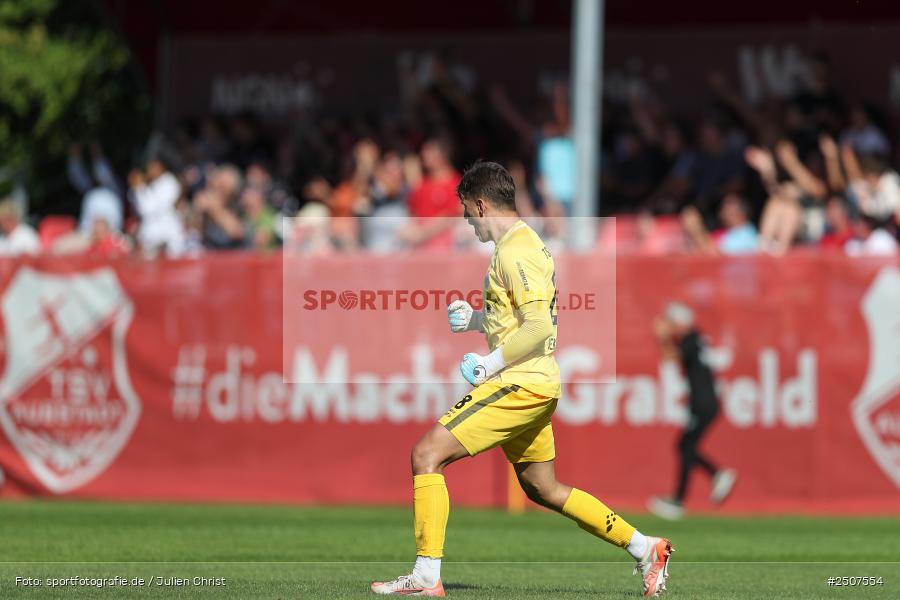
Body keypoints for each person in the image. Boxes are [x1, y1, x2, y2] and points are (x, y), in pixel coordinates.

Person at [372, 162, 673, 598]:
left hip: (521, 383)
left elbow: (539, 328)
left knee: (426, 455)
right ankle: (647, 548)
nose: (467, 222)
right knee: (542, 488)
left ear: (480, 204)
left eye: (466, 212)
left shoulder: (516, 251)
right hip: (534, 382)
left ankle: (424, 577)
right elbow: (523, 318)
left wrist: (488, 364)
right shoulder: (522, 246)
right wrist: (477, 320)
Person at [648, 302, 737, 520]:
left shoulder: (688, 339)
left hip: (702, 403)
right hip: (705, 401)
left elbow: (670, 359)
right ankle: (686, 494)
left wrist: (663, 338)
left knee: (685, 446)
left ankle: (713, 477)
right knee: (685, 446)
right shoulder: (696, 338)